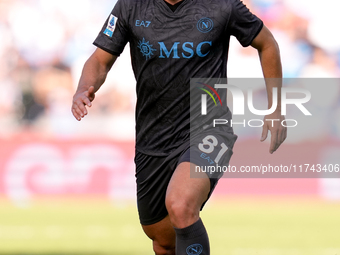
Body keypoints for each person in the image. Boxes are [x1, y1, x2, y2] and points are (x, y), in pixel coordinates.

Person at [71, 0, 287, 254]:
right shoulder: (131, 6)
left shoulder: (222, 6)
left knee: (181, 205)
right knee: (163, 240)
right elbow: (99, 59)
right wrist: (83, 88)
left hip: (209, 126)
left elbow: (267, 43)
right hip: (153, 136)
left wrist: (276, 108)